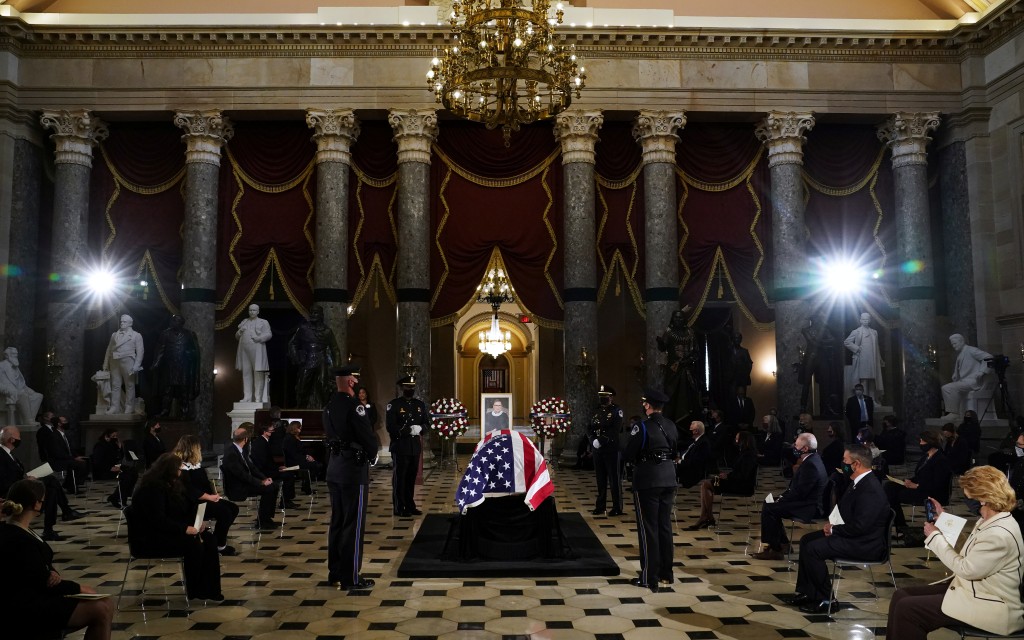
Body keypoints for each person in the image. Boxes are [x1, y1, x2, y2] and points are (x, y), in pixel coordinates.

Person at [886, 466, 1024, 639]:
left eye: (970, 496)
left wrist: (935, 537)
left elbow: (966, 568)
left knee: (909, 609)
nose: (968, 500)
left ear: (983, 498)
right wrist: (943, 520)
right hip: (974, 591)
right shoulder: (991, 519)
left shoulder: (999, 533)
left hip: (991, 604)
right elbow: (969, 548)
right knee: (901, 595)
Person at [780, 444, 891, 613]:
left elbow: (861, 526)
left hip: (865, 544)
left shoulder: (870, 489)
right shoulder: (858, 482)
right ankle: (809, 592)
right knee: (807, 540)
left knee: (814, 549)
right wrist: (833, 525)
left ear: (857, 464)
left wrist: (834, 530)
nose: (843, 464)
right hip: (854, 536)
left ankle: (826, 599)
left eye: (845, 461)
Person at [0, 479, 114, 640]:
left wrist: (51, 572)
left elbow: (38, 567)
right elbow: (40, 579)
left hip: (35, 596)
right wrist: (78, 588)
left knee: (105, 604)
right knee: (101, 609)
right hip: (25, 606)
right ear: (37, 504)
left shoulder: (18, 529)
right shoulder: (18, 538)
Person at [130, 453, 223, 600]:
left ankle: (210, 590)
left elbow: (181, 510)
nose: (181, 473)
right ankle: (195, 590)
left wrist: (197, 522)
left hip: (170, 530)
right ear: (169, 470)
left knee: (209, 539)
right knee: (194, 544)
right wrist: (185, 529)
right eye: (179, 470)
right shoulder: (151, 489)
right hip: (152, 537)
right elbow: (158, 519)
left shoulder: (172, 485)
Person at [324, 365, 380, 590]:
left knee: (337, 522)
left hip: (334, 468)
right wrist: (373, 455)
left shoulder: (328, 406)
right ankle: (351, 578)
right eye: (354, 379)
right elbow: (367, 436)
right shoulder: (354, 406)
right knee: (353, 525)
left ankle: (335, 573)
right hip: (352, 470)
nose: (356, 383)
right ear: (350, 382)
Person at [624, 388, 679, 591]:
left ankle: (648, 576)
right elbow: (674, 450)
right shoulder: (671, 425)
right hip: (668, 478)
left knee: (648, 529)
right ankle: (667, 573)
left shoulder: (642, 427)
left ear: (648, 405)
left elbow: (629, 453)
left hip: (648, 480)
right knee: (664, 527)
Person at [751, 432, 828, 561]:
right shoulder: (813, 459)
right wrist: (781, 498)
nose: (793, 447)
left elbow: (800, 492)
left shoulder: (811, 465)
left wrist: (782, 499)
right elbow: (797, 490)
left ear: (805, 448)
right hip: (805, 501)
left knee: (770, 508)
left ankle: (775, 550)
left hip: (810, 506)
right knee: (770, 503)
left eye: (796, 445)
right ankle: (783, 543)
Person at [1, 425, 82, 541]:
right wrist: (25, 481)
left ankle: (52, 525)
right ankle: (63, 514)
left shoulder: (8, 453)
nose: (20, 439)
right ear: (12, 439)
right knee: (51, 482)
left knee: (51, 489)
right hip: (12, 493)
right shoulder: (1, 455)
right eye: (19, 436)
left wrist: (26, 478)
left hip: (20, 486)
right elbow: (4, 481)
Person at [173, 435, 239, 556]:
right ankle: (219, 545)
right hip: (192, 503)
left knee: (233, 508)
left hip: (204, 499)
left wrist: (213, 494)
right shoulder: (181, 467)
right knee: (225, 512)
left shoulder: (196, 465)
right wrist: (210, 497)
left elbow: (203, 484)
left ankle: (217, 541)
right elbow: (190, 491)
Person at [690, 431, 758, 529]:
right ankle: (706, 517)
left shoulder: (749, 455)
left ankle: (707, 517)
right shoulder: (744, 452)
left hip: (741, 486)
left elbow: (744, 475)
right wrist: (727, 475)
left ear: (744, 440)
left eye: (737, 438)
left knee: (706, 484)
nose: (736, 440)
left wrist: (728, 477)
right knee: (705, 485)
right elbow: (737, 471)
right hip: (735, 481)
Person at [886, 430, 953, 530]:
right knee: (889, 487)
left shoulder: (941, 460)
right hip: (922, 488)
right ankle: (898, 524)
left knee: (893, 495)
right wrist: (908, 481)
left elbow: (938, 484)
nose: (920, 444)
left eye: (922, 441)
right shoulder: (926, 456)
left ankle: (901, 525)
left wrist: (916, 486)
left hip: (931, 493)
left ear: (930, 442)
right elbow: (919, 476)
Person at [221, 424, 280, 529]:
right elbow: (242, 475)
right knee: (269, 489)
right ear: (245, 439)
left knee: (274, 485)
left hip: (244, 483)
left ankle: (266, 518)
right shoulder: (232, 453)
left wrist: (264, 478)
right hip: (237, 487)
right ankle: (262, 521)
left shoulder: (240, 450)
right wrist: (260, 483)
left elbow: (252, 468)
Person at [386, 375, 426, 517]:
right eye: (408, 387)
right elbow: (390, 426)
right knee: (400, 478)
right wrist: (408, 430)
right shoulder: (394, 405)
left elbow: (426, 423)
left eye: (412, 387)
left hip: (414, 447)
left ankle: (410, 505)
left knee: (411, 478)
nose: (411, 389)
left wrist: (420, 428)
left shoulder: (419, 405)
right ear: (402, 388)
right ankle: (399, 507)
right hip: (400, 446)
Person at [288, 304, 341, 409]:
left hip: (322, 360)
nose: (313, 315)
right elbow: (293, 343)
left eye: (316, 313)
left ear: (321, 315)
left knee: (323, 386)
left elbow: (335, 350)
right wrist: (297, 358)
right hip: (307, 360)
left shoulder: (327, 331)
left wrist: (337, 368)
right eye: (312, 313)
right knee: (303, 387)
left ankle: (324, 411)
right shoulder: (303, 329)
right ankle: (300, 410)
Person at [151, 314, 200, 419]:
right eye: (173, 321)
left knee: (183, 390)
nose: (173, 323)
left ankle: (184, 412)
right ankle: (165, 411)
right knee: (167, 390)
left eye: (176, 321)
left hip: (183, 367)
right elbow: (160, 350)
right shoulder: (165, 334)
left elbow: (193, 350)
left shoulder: (188, 334)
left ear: (181, 323)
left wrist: (190, 354)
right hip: (169, 367)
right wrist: (156, 363)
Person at [588, 384, 624, 517]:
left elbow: (615, 430)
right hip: (597, 449)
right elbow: (589, 427)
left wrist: (601, 440)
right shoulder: (595, 410)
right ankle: (600, 505)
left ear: (611, 397)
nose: (602, 399)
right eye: (601, 396)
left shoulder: (616, 410)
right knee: (600, 478)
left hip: (611, 449)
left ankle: (617, 507)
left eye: (605, 396)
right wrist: (593, 440)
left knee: (614, 479)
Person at [36, 411, 90, 495]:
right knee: (79, 464)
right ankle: (70, 485)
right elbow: (57, 452)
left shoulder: (64, 434)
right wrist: (74, 458)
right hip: (57, 460)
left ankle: (71, 484)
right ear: (59, 424)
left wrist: (77, 456)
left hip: (66, 458)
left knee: (87, 461)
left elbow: (70, 449)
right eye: (64, 421)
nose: (67, 423)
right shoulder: (53, 436)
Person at [941, 333, 993, 419]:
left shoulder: (971, 350)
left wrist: (982, 372)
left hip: (973, 381)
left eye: (955, 343)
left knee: (947, 388)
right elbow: (960, 368)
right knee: (947, 388)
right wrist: (955, 374)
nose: (953, 346)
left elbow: (989, 357)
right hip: (964, 381)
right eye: (952, 344)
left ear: (961, 341)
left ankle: (954, 412)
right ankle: (955, 412)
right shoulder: (961, 354)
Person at [102, 313, 145, 414]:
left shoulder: (136, 335)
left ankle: (129, 406)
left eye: (124, 322)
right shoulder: (114, 335)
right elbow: (109, 349)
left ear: (130, 323)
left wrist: (136, 366)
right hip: (114, 361)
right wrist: (105, 363)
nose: (122, 323)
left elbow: (140, 352)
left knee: (129, 385)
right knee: (115, 385)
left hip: (128, 361)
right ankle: (114, 407)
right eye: (121, 321)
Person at [250, 422, 296, 509]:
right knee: (288, 475)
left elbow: (269, 461)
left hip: (267, 468)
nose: (273, 433)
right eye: (271, 431)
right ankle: (285, 502)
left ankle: (286, 500)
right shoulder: (260, 443)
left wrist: (278, 467)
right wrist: (277, 470)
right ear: (264, 432)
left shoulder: (263, 441)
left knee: (289, 473)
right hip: (263, 471)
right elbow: (264, 462)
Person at [90, 428, 138, 509]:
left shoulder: (112, 445)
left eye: (116, 436)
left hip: (114, 467)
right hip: (103, 471)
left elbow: (119, 458)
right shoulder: (100, 445)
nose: (115, 437)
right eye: (113, 436)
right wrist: (109, 468)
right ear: (107, 436)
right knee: (126, 475)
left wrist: (120, 448)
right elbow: (97, 462)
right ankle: (119, 498)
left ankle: (117, 497)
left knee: (133, 472)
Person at [235, 303, 272, 403]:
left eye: (254, 310)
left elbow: (269, 334)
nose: (252, 312)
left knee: (258, 373)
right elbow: (237, 336)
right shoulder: (244, 321)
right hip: (244, 350)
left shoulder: (263, 322)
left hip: (257, 349)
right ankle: (247, 396)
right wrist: (240, 332)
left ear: (258, 311)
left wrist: (259, 338)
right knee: (246, 373)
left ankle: (258, 397)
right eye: (250, 310)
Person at [843, 312, 884, 402]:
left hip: (872, 358)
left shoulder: (874, 332)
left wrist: (880, 358)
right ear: (860, 320)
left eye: (867, 320)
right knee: (864, 379)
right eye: (864, 320)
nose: (865, 321)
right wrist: (857, 348)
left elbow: (877, 347)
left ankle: (872, 400)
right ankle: (864, 399)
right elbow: (847, 342)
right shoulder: (856, 331)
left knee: (873, 379)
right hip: (862, 358)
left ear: (869, 321)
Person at [0, 346, 43, 424]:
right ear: (7, 355)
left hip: (19, 390)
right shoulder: (1, 366)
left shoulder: (15, 367)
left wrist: (29, 391)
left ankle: (29, 419)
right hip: (7, 394)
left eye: (16, 354)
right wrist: (8, 390)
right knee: (23, 395)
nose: (16, 356)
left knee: (38, 396)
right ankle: (28, 420)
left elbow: (20, 383)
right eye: (13, 354)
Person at [282, 421, 323, 495]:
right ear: (294, 428)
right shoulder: (289, 438)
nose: (300, 429)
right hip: (293, 462)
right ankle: (306, 486)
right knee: (315, 465)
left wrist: (308, 456)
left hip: (298, 459)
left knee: (316, 464)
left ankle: (306, 485)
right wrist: (306, 457)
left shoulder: (294, 437)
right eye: (299, 428)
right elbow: (293, 454)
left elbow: (300, 451)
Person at [677, 420, 713, 489]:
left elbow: (695, 463)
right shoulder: (698, 440)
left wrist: (679, 461)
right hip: (686, 466)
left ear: (696, 431)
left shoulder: (703, 443)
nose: (689, 432)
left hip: (692, 472)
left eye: (691, 430)